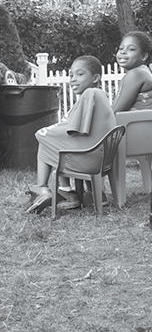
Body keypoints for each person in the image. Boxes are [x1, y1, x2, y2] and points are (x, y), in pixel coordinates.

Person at [25, 56, 117, 213]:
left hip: (89, 159)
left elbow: (73, 129)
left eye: (80, 74)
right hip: (100, 158)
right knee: (55, 141)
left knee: (45, 139)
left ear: (95, 78)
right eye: (71, 75)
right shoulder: (98, 96)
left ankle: (48, 188)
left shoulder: (91, 93)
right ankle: (84, 193)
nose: (73, 79)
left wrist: (44, 133)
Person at [112, 31, 152, 112]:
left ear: (144, 56)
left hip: (137, 124)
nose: (123, 52)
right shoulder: (144, 72)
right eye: (121, 48)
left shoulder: (136, 74)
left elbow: (117, 111)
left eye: (131, 49)